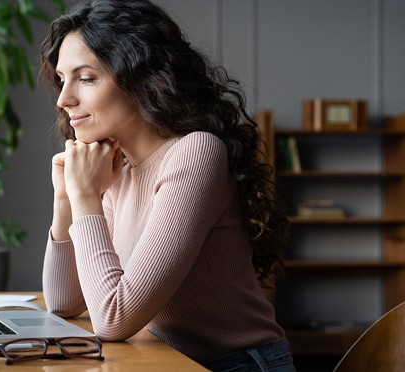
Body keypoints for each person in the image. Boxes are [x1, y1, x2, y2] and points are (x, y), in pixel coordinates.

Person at [39, 1, 295, 371]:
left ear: (139, 78)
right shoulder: (119, 169)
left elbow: (114, 318)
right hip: (164, 361)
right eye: (63, 80)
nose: (64, 100)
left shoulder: (195, 153)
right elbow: (63, 302)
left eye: (87, 78)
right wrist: (67, 196)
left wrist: (84, 196)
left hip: (235, 365)